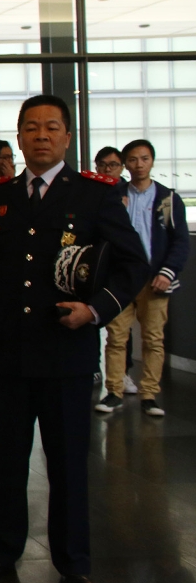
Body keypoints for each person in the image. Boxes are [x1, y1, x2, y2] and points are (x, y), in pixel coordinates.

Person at [0, 95, 148, 583]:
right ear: (19, 137)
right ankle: (2, 550)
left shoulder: (94, 195)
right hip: (10, 354)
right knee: (6, 461)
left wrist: (97, 311)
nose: (40, 135)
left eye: (51, 127)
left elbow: (134, 264)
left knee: (68, 464)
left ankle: (74, 561)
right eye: (30, 127)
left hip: (66, 353)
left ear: (67, 136)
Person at [97, 139, 189, 418]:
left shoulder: (168, 198)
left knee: (153, 339)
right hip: (122, 280)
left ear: (152, 161)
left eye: (144, 159)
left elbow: (181, 240)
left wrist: (167, 272)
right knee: (116, 337)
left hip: (155, 280)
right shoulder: (114, 196)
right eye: (133, 160)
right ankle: (114, 391)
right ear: (125, 164)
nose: (139, 165)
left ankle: (149, 394)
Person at [93, 146, 135, 393]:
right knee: (96, 320)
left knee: (122, 330)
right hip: (99, 268)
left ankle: (123, 374)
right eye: (104, 165)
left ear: (122, 168)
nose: (108, 169)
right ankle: (97, 368)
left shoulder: (129, 193)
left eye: (114, 165)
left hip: (123, 268)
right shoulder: (91, 191)